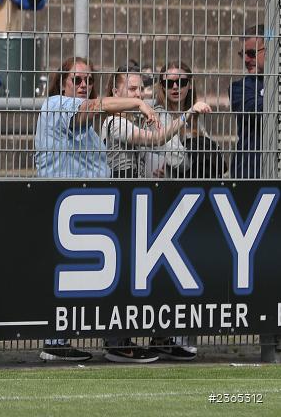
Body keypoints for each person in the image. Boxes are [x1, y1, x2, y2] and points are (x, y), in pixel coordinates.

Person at [34, 56, 159, 362]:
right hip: (63, 207)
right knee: (68, 280)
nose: (83, 85)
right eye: (76, 79)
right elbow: (93, 107)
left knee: (104, 277)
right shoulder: (54, 105)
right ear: (62, 82)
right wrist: (136, 103)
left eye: (88, 80)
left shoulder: (90, 126)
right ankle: (56, 342)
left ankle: (114, 341)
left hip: (90, 210)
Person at [100, 66, 209, 362]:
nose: (139, 95)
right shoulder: (115, 123)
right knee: (121, 276)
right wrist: (189, 115)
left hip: (131, 201)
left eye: (140, 90)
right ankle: (117, 341)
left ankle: (142, 338)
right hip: (119, 203)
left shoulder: (131, 120)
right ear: (116, 92)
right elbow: (156, 140)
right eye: (132, 89)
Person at [142, 61, 224, 180]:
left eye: (181, 82)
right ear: (162, 86)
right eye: (168, 83)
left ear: (190, 84)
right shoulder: (157, 113)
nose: (175, 87)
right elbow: (180, 162)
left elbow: (211, 151)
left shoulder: (194, 115)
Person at [230, 25, 265, 179]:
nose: (246, 60)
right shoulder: (239, 88)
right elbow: (258, 110)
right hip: (250, 172)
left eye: (251, 53)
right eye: (242, 54)